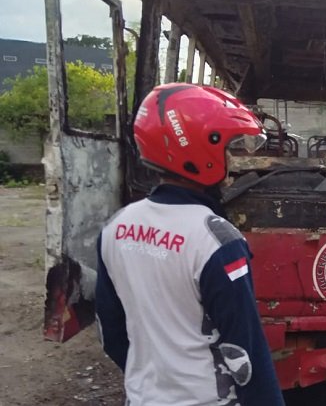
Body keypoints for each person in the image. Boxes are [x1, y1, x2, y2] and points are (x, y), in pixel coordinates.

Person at [95, 83, 285, 406]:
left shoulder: (115, 228)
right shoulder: (216, 241)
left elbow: (111, 333)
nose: (231, 163)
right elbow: (246, 355)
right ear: (201, 151)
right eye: (227, 148)